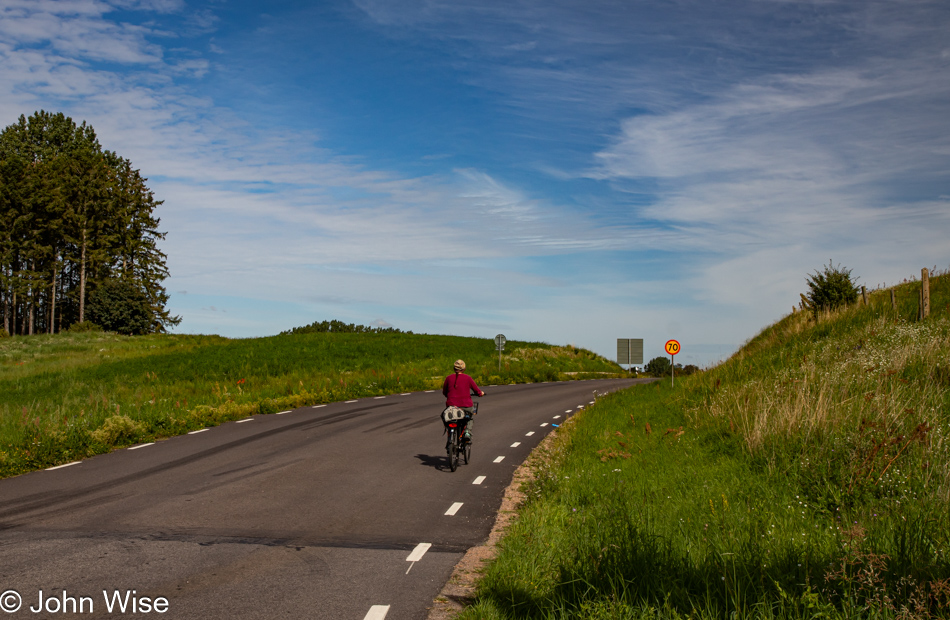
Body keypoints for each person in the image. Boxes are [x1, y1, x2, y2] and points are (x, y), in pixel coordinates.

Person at [442, 359, 484, 451]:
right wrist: (480, 393)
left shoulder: (448, 378)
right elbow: (477, 391)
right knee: (469, 418)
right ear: (464, 369)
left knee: (447, 420)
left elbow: (444, 392)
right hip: (466, 406)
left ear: (454, 368)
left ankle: (450, 438)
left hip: (451, 406)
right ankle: (467, 433)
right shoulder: (468, 378)